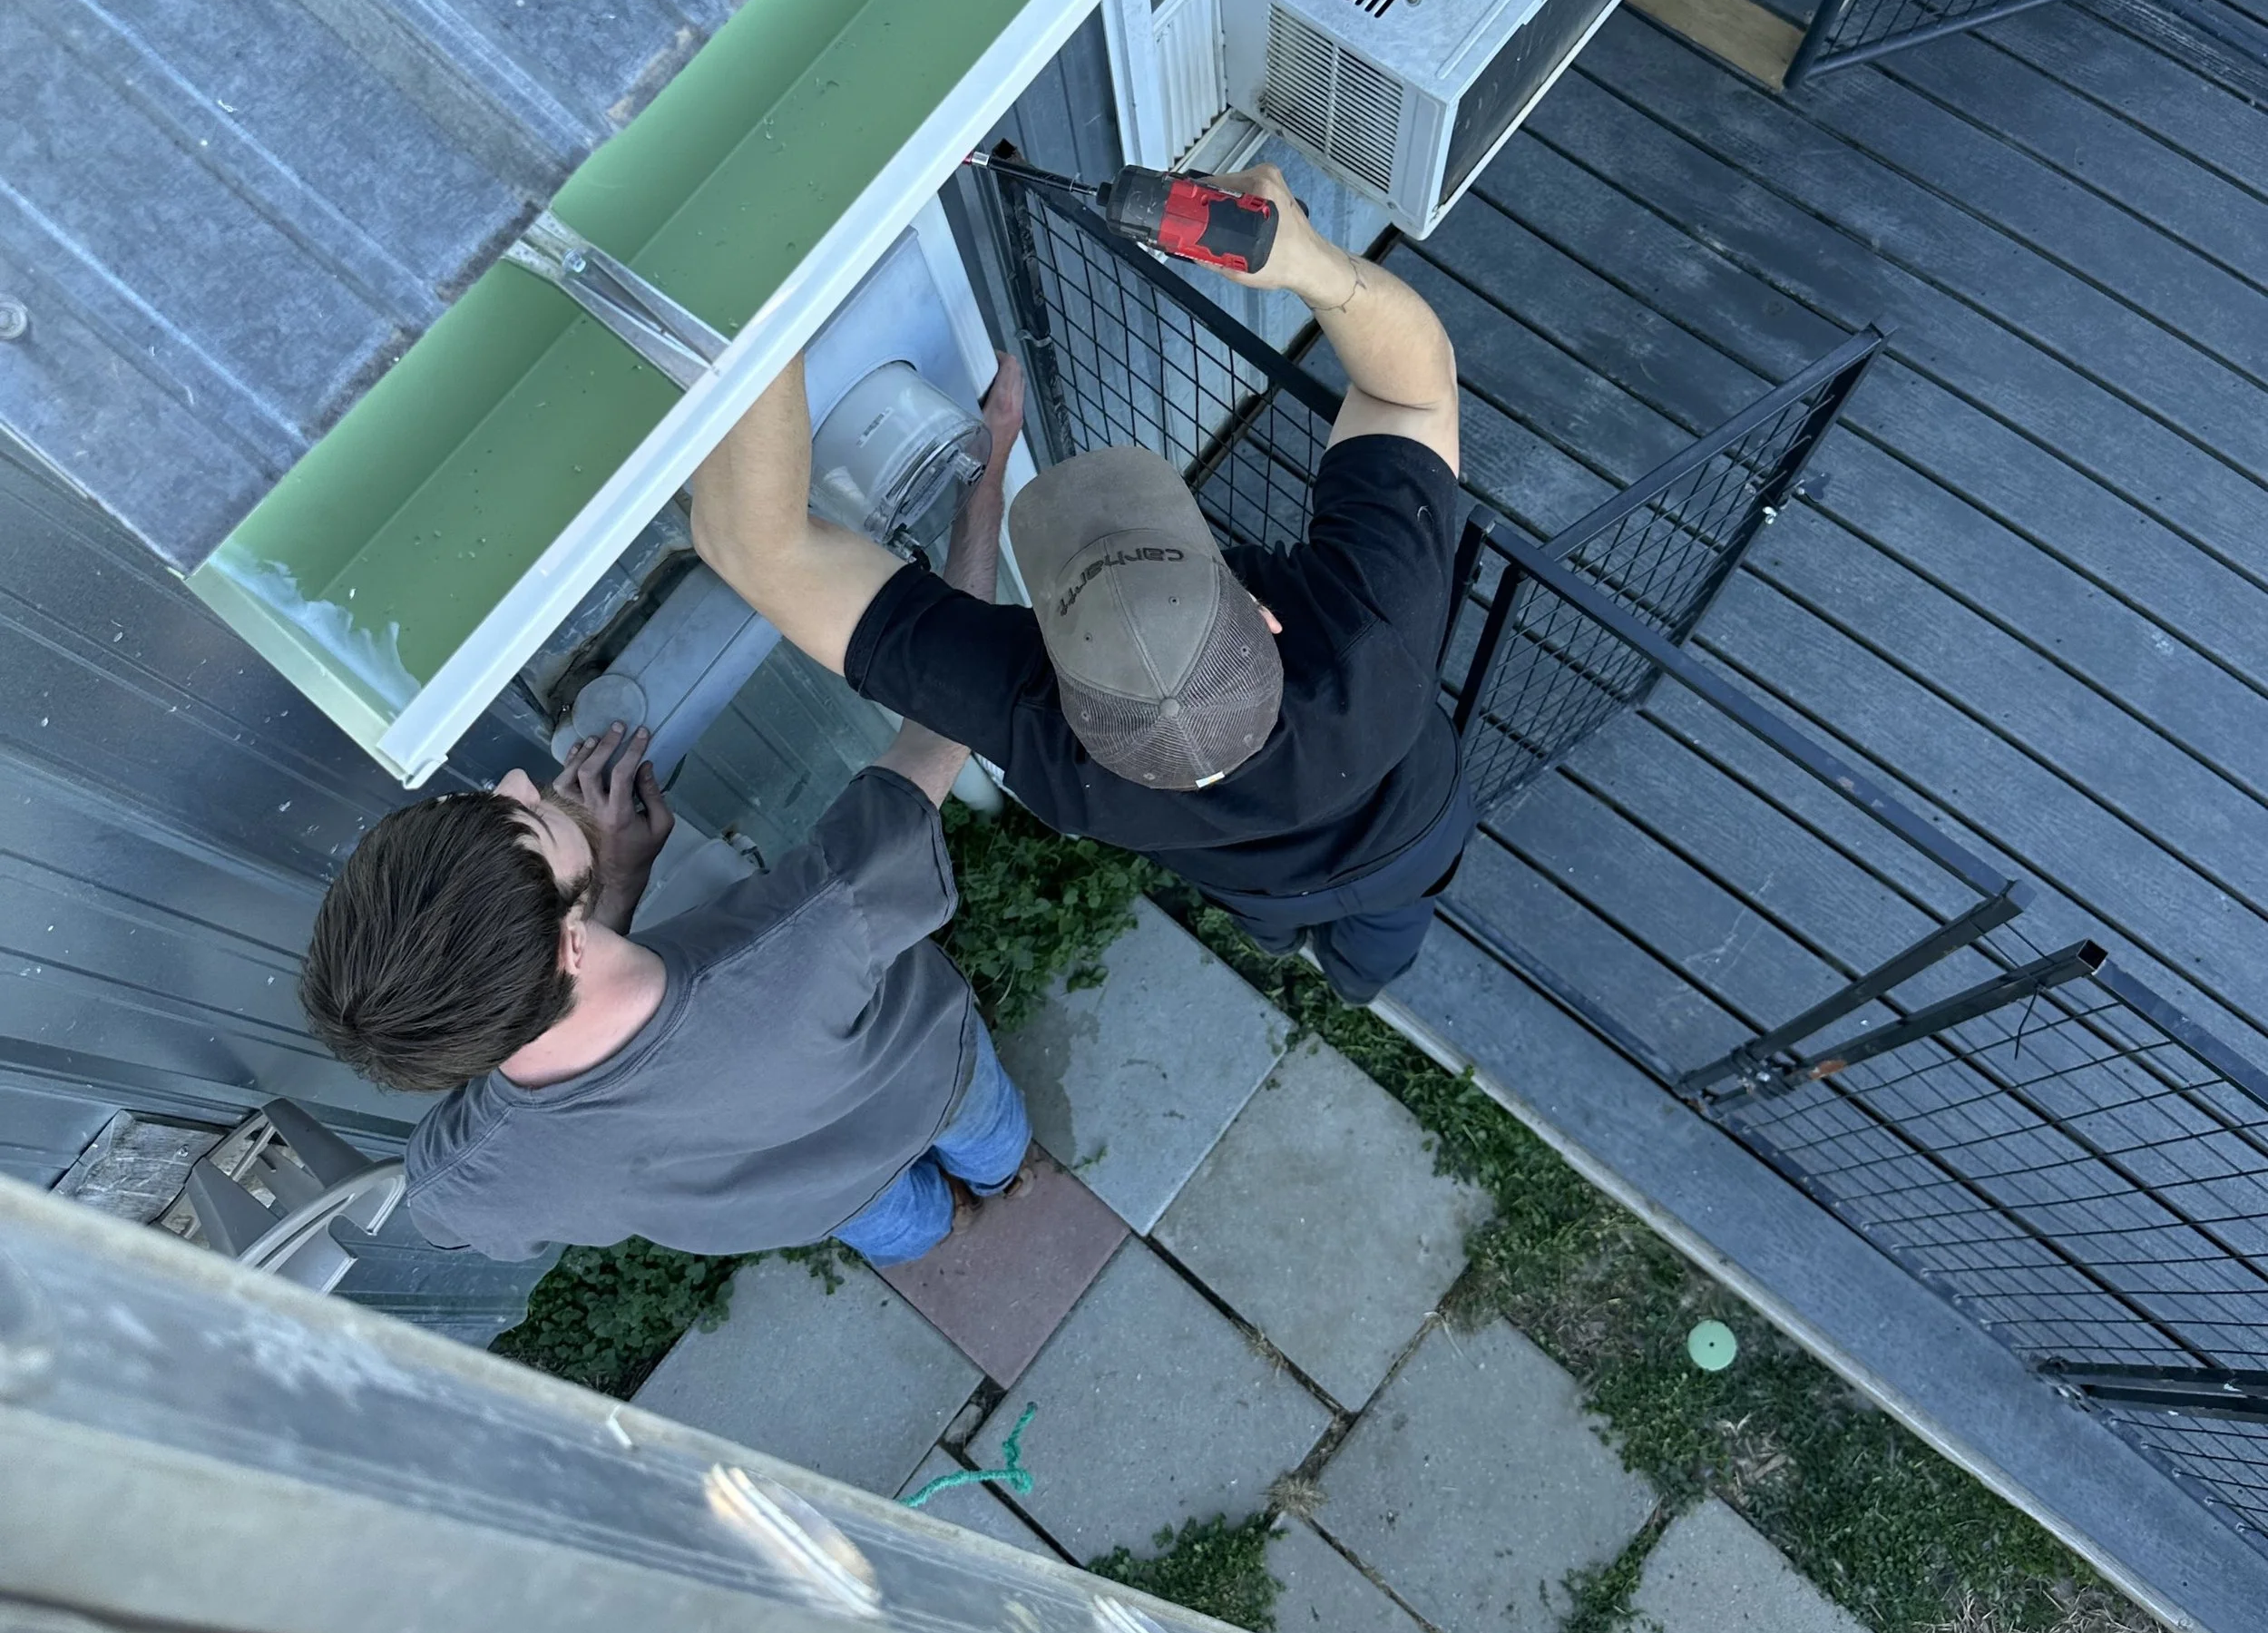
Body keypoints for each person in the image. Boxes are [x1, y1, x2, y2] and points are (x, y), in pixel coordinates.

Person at [298, 366, 1033, 1269]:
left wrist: (613, 890)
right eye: (522, 824)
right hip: (934, 1082)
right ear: (567, 945)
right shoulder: (816, 924)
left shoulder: (467, 1175)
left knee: (912, 1228)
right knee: (993, 1139)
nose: (521, 783)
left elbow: (470, 1195)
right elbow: (945, 718)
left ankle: (955, 1229)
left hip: (830, 1203)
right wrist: (988, 472)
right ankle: (1002, 1181)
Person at [691, 168, 1470, 1003]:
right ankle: (1353, 980)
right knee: (1379, 941)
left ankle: (1327, 964)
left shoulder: (1062, 761)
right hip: (1416, 824)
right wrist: (1307, 263)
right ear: (1266, 619)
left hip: (1265, 883)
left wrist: (983, 480)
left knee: (1287, 930)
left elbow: (757, 547)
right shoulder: (1372, 632)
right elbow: (1412, 391)